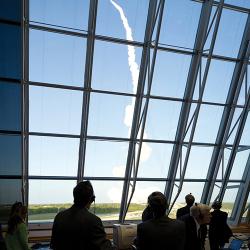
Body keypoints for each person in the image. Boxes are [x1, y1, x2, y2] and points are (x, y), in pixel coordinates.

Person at [50, 181, 112, 250]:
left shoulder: (59, 217)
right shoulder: (94, 221)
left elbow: (53, 245)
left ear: (75, 197)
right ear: (91, 199)